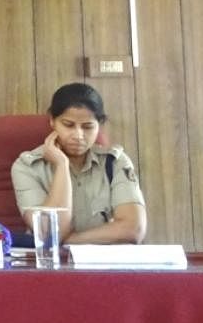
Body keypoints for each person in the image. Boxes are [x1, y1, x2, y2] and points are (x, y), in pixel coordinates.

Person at [11, 82, 146, 244]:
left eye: (88, 127)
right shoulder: (27, 166)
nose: (78, 135)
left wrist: (70, 241)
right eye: (68, 125)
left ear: (99, 125)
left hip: (106, 263)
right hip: (52, 266)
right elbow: (51, 234)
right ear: (52, 121)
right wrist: (61, 165)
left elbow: (133, 229)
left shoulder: (115, 162)